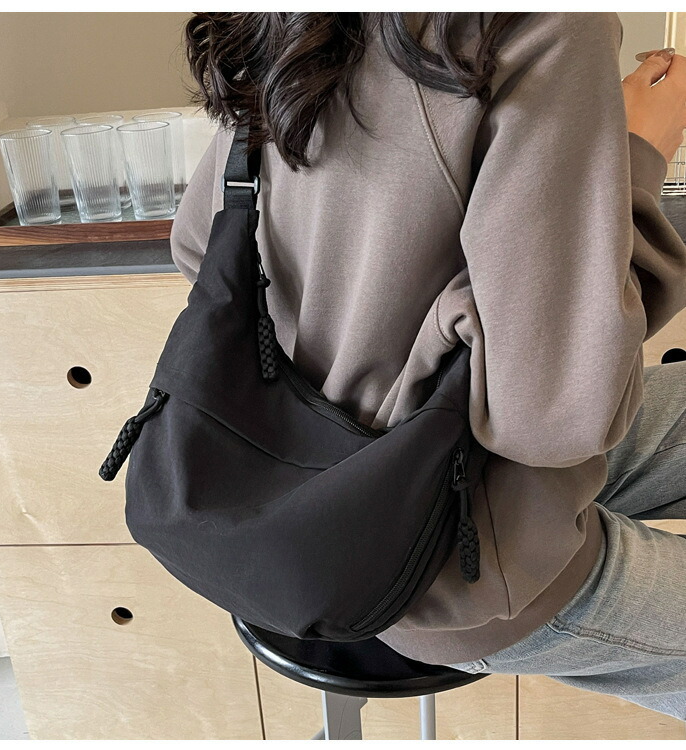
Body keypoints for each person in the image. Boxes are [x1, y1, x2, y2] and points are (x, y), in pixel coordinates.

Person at [172, 12, 686, 719]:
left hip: (288, 511)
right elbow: (556, 414)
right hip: (447, 566)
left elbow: (198, 242)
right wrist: (636, 154)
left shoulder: (288, 20)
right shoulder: (544, 26)